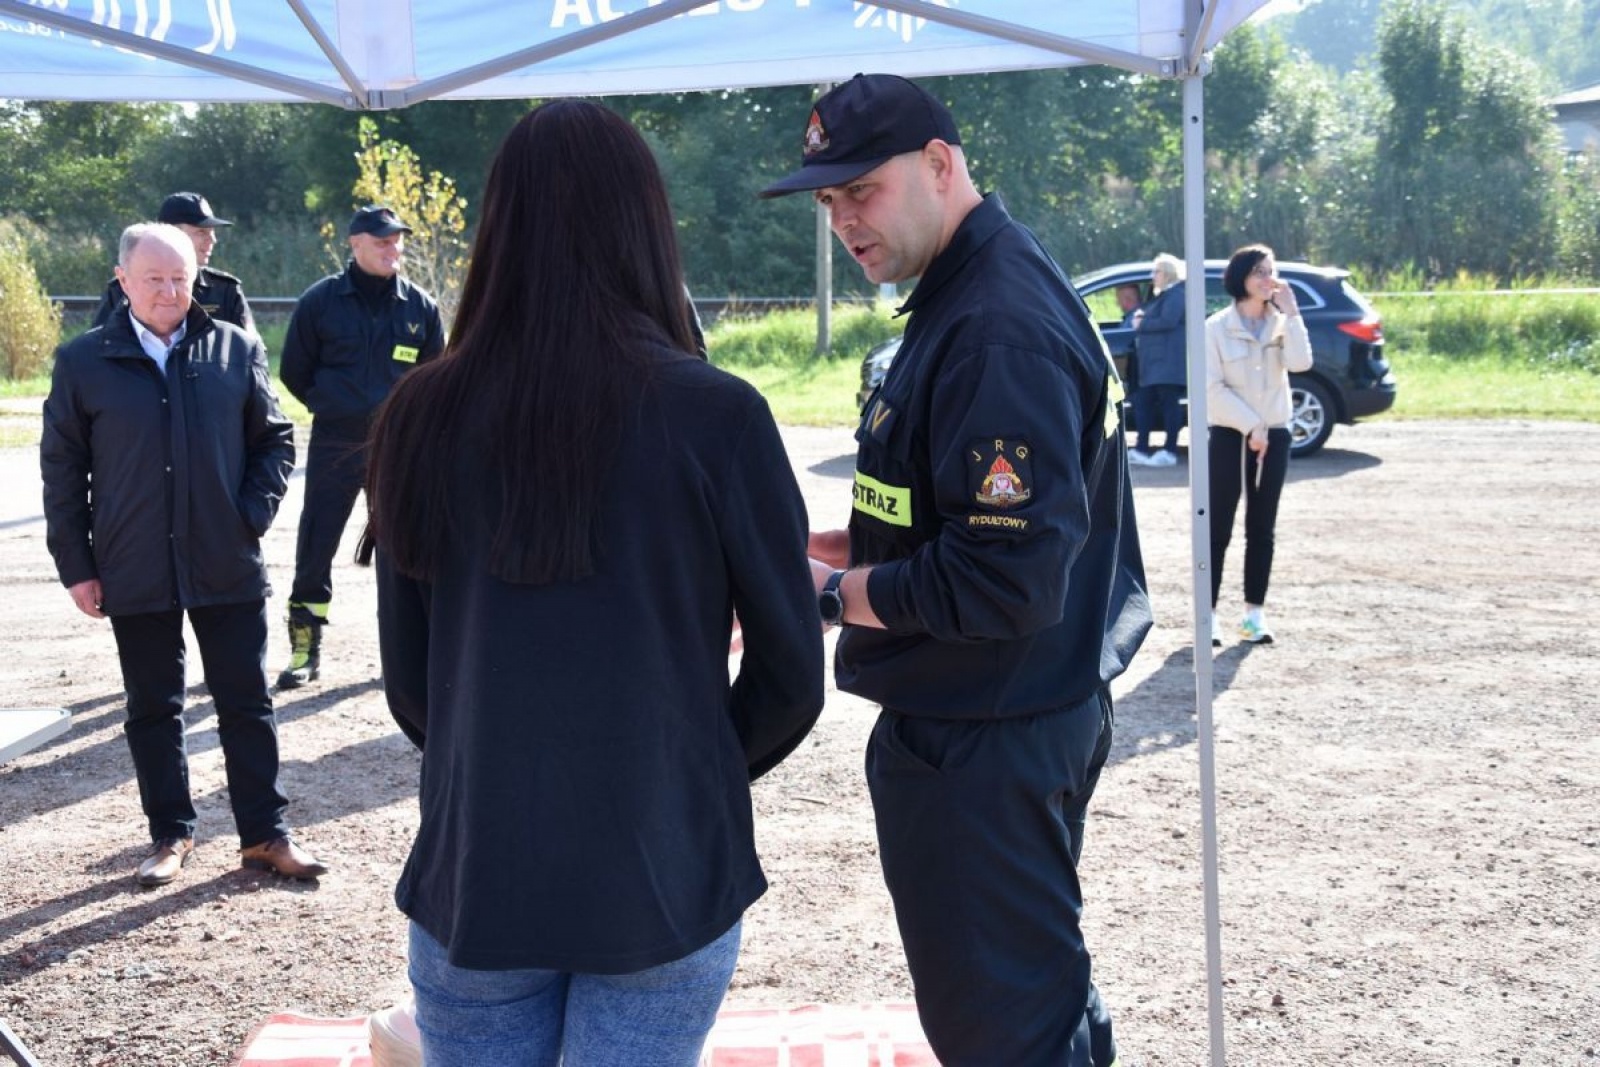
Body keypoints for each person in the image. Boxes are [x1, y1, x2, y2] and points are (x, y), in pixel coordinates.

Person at [363, 100, 825, 1067]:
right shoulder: (719, 416)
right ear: (647, 226)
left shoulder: (418, 415)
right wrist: (678, 774)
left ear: (500, 225)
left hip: (479, 869)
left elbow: (413, 688)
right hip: (659, 872)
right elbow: (791, 673)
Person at [760, 74, 1151, 1067]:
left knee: (1006, 1029)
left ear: (941, 165)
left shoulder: (993, 326)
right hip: (1002, 718)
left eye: (863, 189)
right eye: (827, 199)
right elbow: (952, 522)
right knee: (1037, 990)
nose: (844, 219)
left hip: (988, 733)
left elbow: (1001, 579)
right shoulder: (971, 290)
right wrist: (825, 552)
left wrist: (820, 595)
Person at [41, 223, 327, 886]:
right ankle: (170, 835)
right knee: (153, 706)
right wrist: (77, 565)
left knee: (246, 700)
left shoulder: (234, 347)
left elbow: (275, 442)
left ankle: (265, 834)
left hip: (225, 561)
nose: (170, 291)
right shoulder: (84, 361)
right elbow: (62, 467)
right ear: (123, 281)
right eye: (155, 279)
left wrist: (249, 515)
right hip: (132, 563)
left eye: (180, 279)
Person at [275, 205, 445, 689]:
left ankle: (414, 651)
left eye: (397, 241)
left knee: (404, 549)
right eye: (382, 241)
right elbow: (294, 371)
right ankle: (305, 649)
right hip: (336, 441)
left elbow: (436, 375)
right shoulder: (321, 302)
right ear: (355, 244)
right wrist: (335, 406)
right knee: (317, 544)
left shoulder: (419, 307)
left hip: (397, 449)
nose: (394, 249)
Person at [1205, 243, 1313, 646]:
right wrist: (1251, 425)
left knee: (1262, 527)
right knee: (1217, 527)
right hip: (1231, 435)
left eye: (1272, 271)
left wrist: (1294, 313)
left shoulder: (1282, 325)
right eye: (1259, 273)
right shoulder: (1215, 327)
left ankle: (1254, 613)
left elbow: (1301, 364)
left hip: (1275, 435)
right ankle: (1208, 615)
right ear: (1241, 279)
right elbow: (1211, 390)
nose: (1269, 280)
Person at [91, 191, 257, 335]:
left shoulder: (225, 289)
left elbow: (251, 353)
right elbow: (99, 350)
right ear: (171, 233)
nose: (212, 240)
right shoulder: (123, 288)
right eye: (201, 232)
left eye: (212, 233)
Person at [1128, 252, 1188, 468]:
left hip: (1168, 364)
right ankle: (1142, 449)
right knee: (1142, 403)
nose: (1153, 276)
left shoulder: (1176, 295)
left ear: (1168, 273)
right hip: (1154, 366)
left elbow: (1168, 321)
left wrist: (1141, 323)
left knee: (1169, 406)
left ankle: (1169, 450)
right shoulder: (1163, 295)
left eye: (1157, 271)